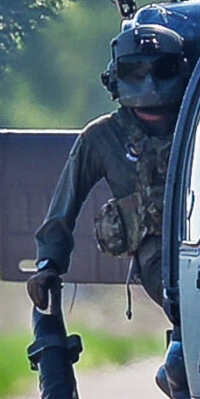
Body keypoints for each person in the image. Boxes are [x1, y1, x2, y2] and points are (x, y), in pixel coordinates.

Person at [29, 22, 187, 311]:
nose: (149, 83)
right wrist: (48, 264)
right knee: (180, 299)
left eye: (162, 70)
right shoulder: (103, 137)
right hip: (158, 257)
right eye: (136, 72)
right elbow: (65, 205)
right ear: (116, 78)